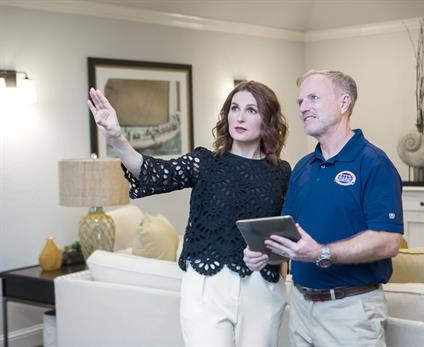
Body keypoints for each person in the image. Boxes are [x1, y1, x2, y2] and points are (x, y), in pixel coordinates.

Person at [88, 80, 291, 347]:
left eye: (251, 110)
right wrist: (117, 138)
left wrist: (273, 257)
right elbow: (152, 172)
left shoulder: (281, 172)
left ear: (268, 119)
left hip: (262, 287)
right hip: (207, 286)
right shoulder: (205, 162)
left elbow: (286, 234)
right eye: (234, 108)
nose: (239, 117)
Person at [244, 70, 403, 347]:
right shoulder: (303, 167)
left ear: (344, 104)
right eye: (300, 102)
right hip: (301, 307)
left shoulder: (374, 163)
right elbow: (291, 235)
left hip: (351, 311)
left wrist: (322, 253)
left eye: (313, 98)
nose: (304, 107)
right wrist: (264, 254)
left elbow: (389, 241)